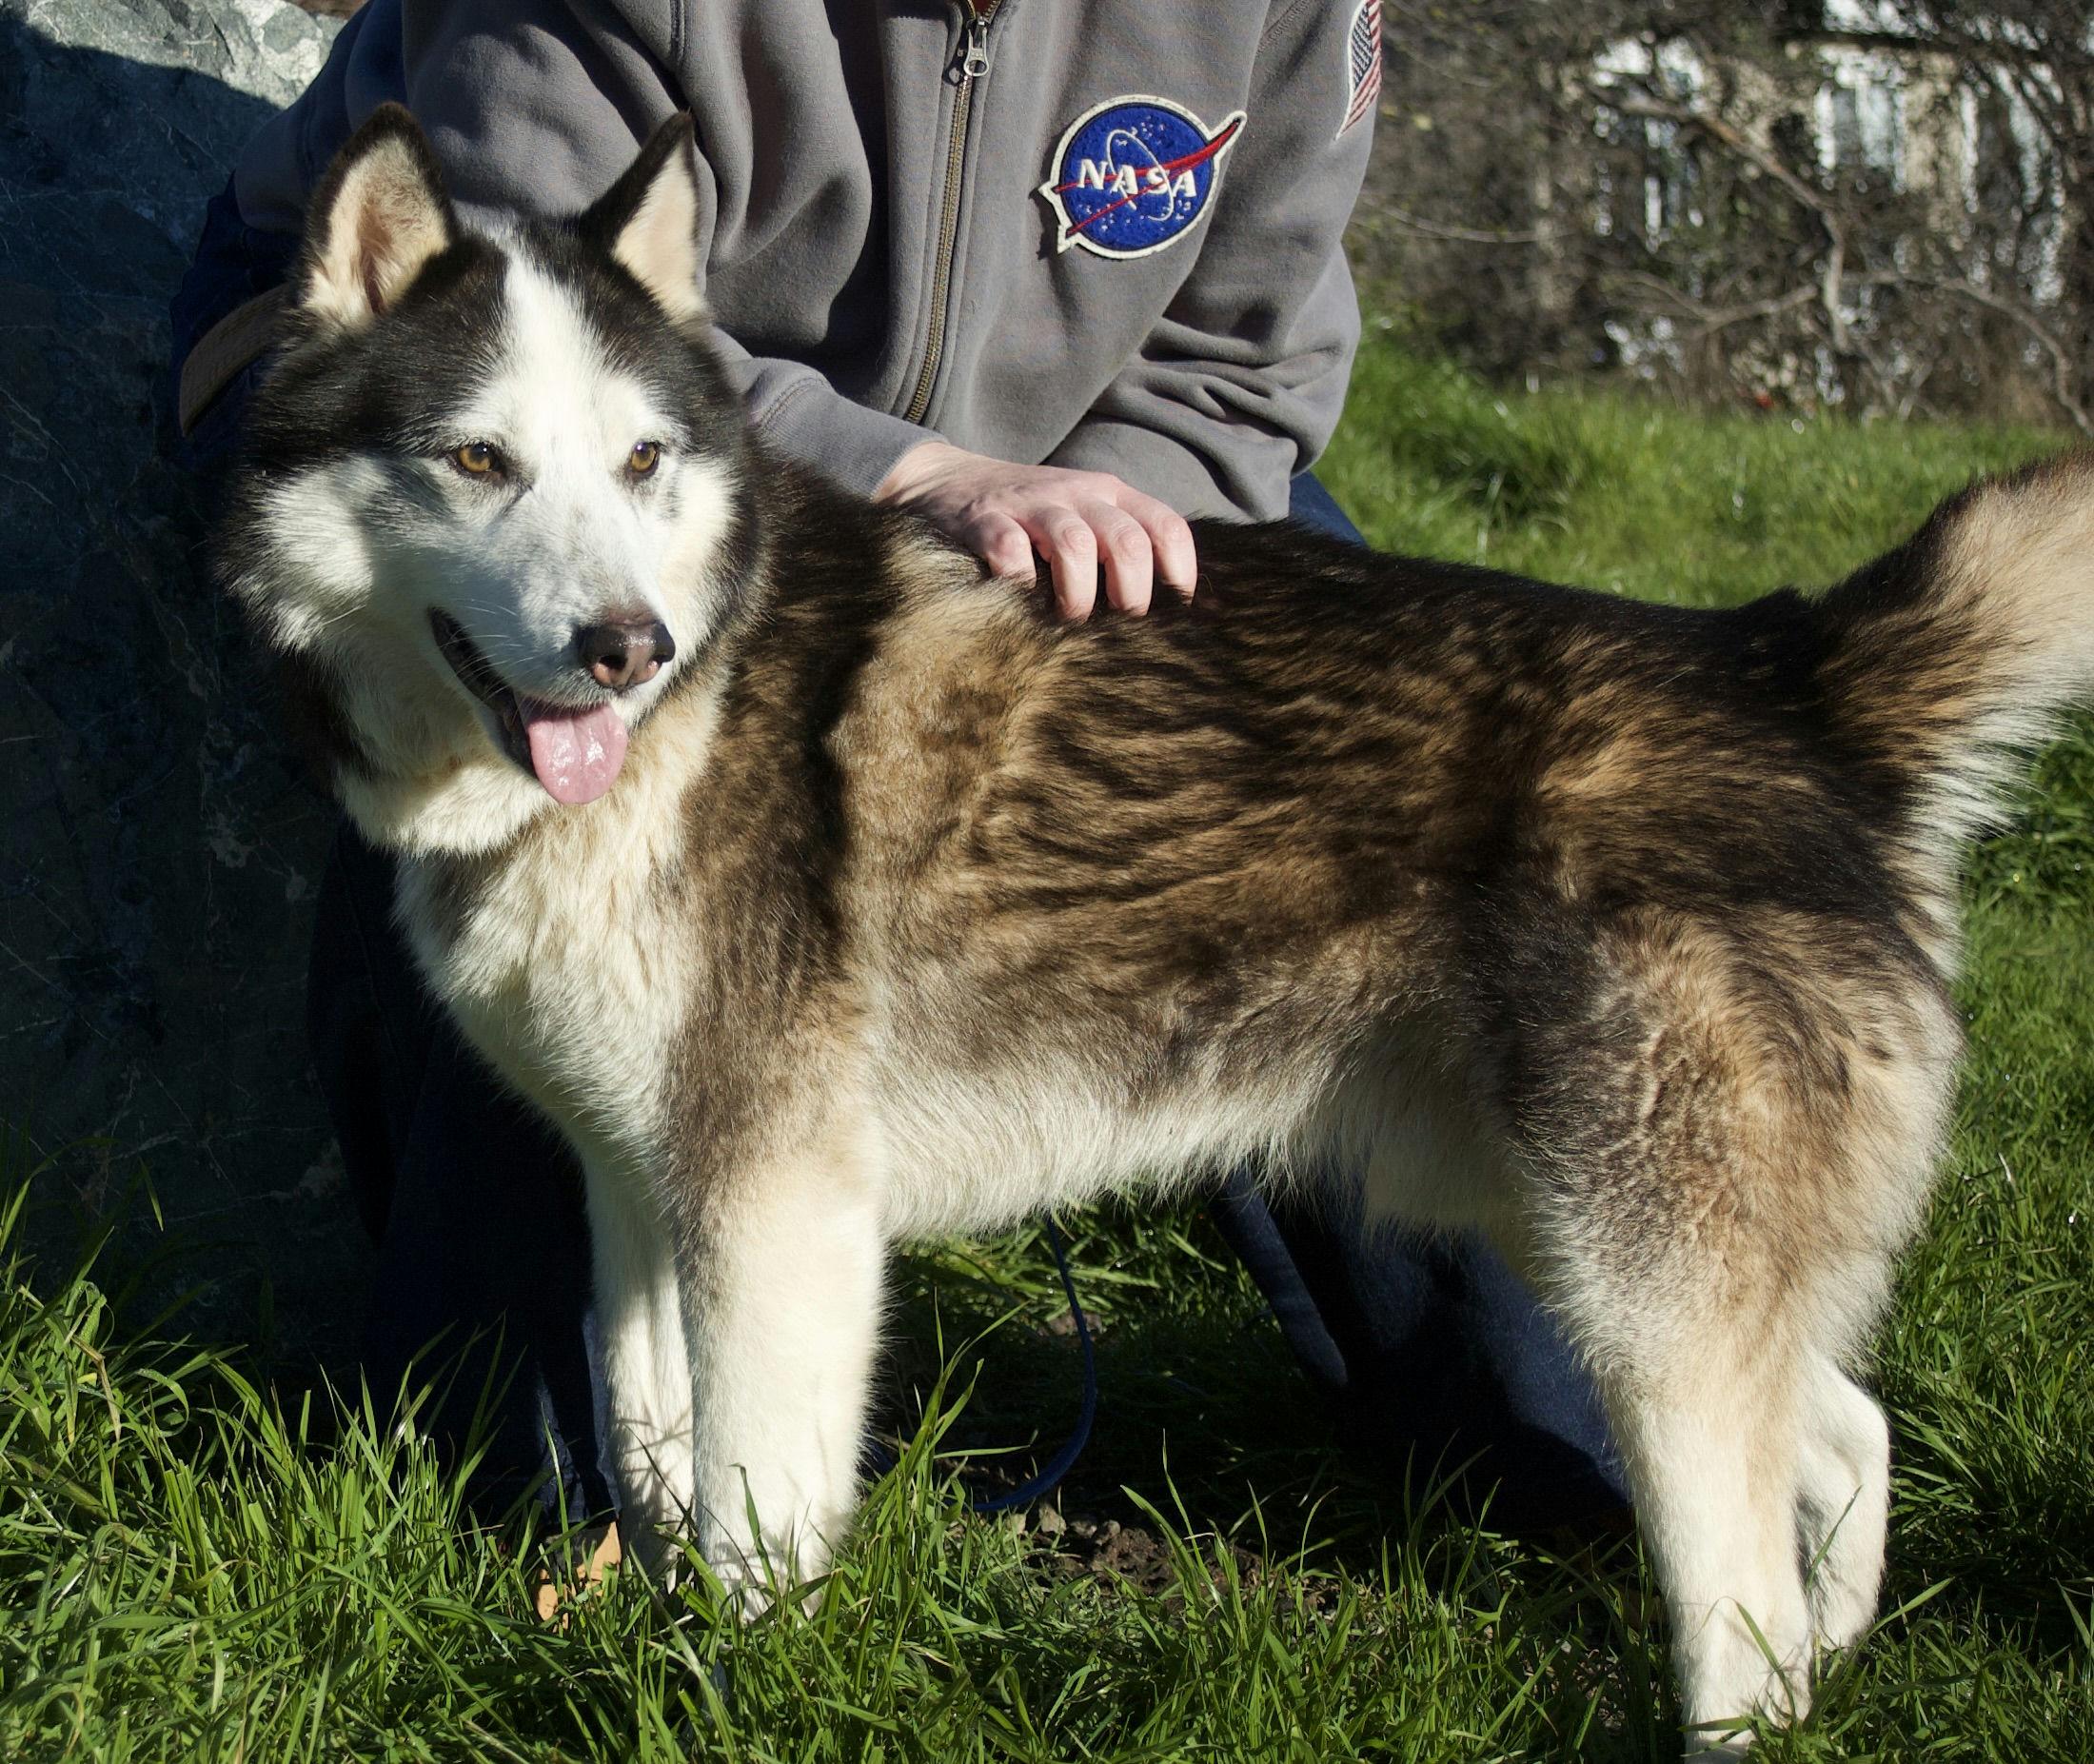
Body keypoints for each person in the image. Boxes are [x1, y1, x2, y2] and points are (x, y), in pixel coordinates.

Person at [171, 0, 1626, 1536]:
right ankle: (568, 1464)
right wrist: (916, 478)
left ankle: (1555, 1467)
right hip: (484, 435)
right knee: (528, 1447)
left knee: (1550, 1377)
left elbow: (1241, 362)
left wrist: (1068, 576)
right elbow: (538, 346)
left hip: (1076, 465)